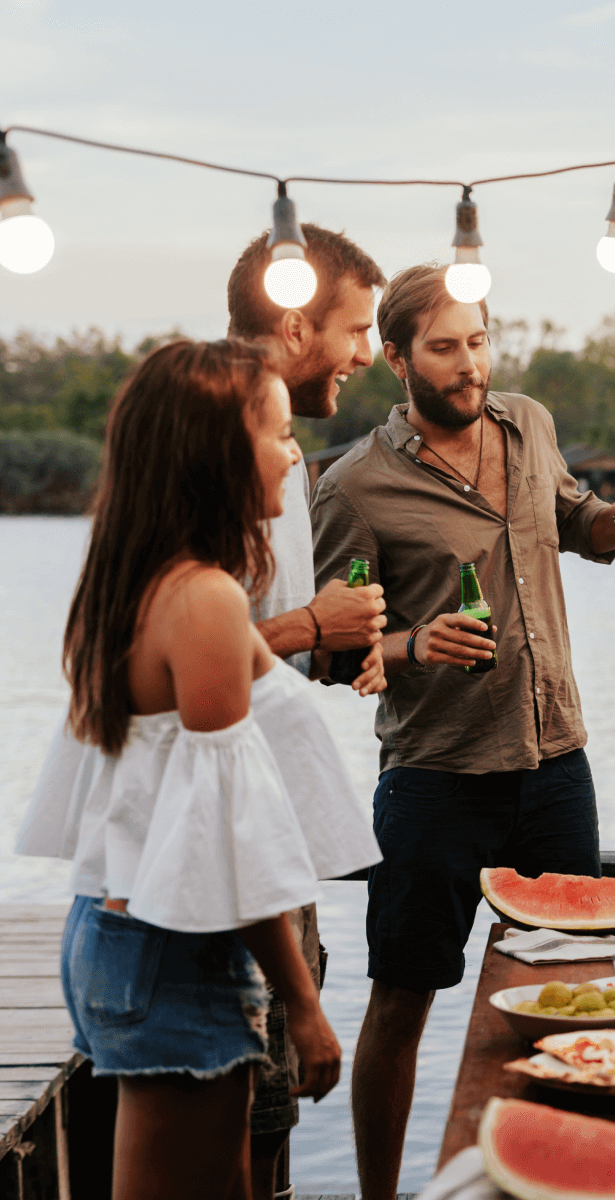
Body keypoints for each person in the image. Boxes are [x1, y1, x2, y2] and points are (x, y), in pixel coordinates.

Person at [309, 264, 615, 1200]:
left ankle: (573, 1179)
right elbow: (326, 651)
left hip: (556, 761)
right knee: (401, 1000)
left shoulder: (529, 423)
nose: (470, 367)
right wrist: (414, 640)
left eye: (478, 342)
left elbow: (573, 523)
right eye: (445, 348)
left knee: (588, 995)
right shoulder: (354, 486)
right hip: (435, 778)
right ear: (395, 358)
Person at [13, 339, 381, 1200]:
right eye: (279, 434)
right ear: (217, 451)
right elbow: (230, 832)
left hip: (119, 928)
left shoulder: (140, 581)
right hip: (174, 947)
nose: (296, 454)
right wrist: (305, 1004)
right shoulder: (205, 599)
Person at [225, 220, 389, 1200]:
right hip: (233, 848)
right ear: (294, 325)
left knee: (276, 1107)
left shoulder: (275, 451)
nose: (371, 353)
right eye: (358, 328)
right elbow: (192, 629)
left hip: (272, 837)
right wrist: (305, 627)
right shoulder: (226, 433)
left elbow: (252, 628)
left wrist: (351, 648)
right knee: (248, 1107)